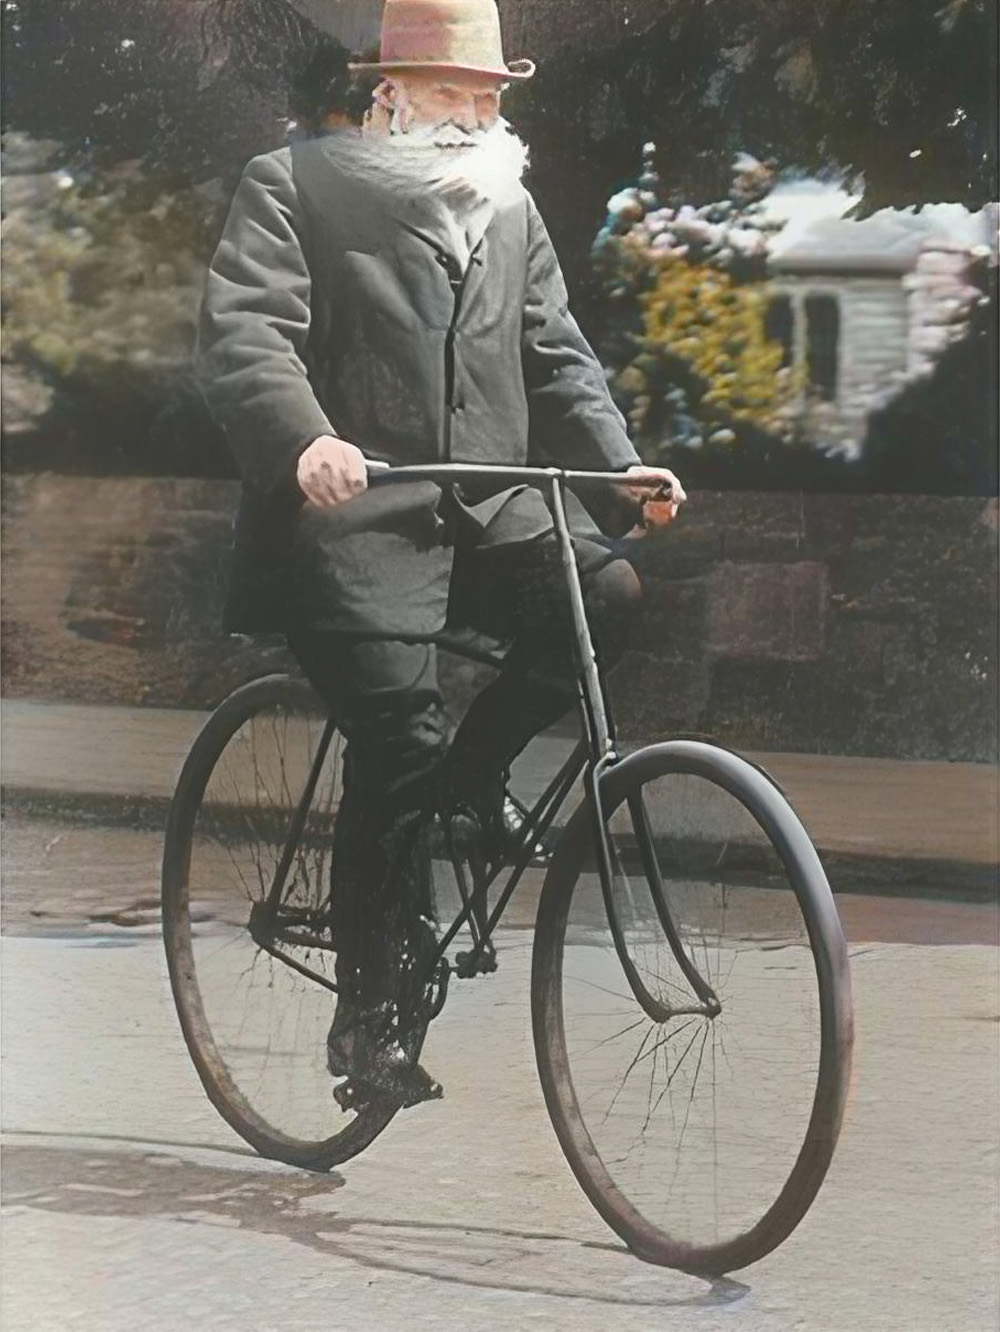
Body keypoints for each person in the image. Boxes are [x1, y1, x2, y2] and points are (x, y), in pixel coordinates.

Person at [197, 0, 686, 1109]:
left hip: (485, 513)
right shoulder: (296, 186)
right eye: (451, 95)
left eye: (487, 98)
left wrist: (622, 468)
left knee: (605, 594)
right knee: (396, 732)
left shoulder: (507, 207)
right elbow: (246, 337)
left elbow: (556, 352)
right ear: (391, 96)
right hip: (352, 520)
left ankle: (474, 785)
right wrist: (304, 437)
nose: (471, 116)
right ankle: (369, 1014)